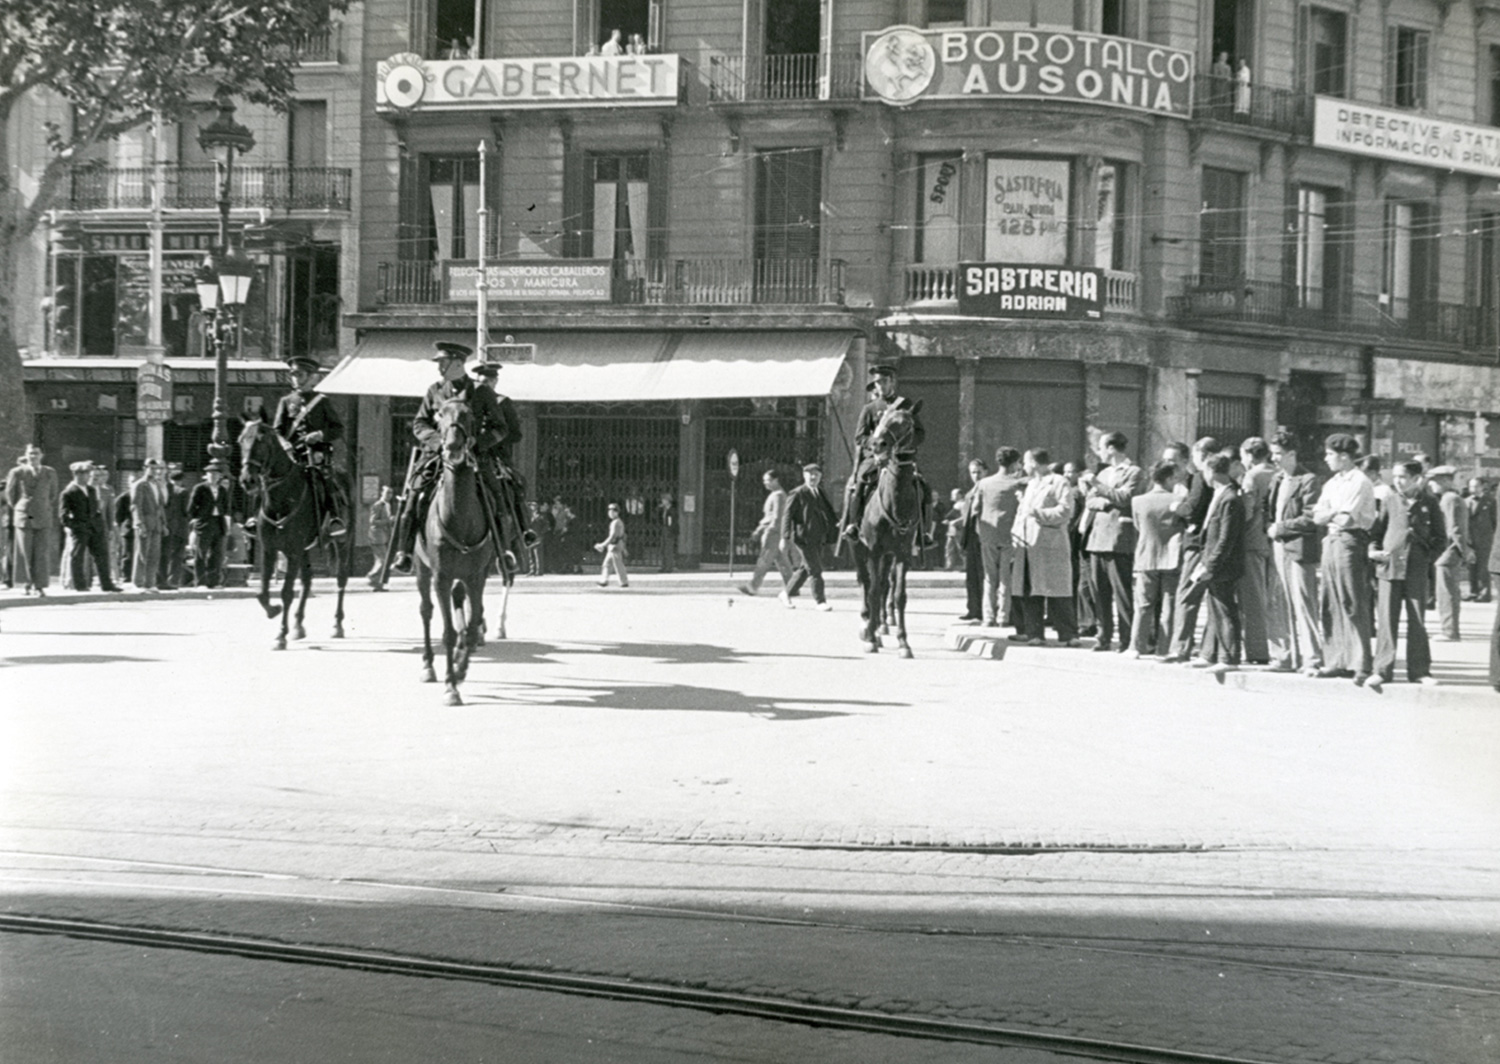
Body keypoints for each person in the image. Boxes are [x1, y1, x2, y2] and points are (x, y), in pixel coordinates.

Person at [391, 342, 522, 573]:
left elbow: (500, 428)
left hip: (475, 457)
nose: (439, 367)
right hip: (438, 456)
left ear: (459, 363)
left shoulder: (481, 392)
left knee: (498, 495)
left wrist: (478, 442)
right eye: (439, 363)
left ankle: (504, 553)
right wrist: (437, 442)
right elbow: (419, 423)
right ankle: (405, 552)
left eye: (443, 362)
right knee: (414, 496)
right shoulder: (434, 390)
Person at [1311, 433, 1379, 688]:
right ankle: (1335, 660)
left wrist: (1328, 514)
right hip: (1331, 541)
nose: (1326, 459)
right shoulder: (1332, 483)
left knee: (1352, 600)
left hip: (1351, 541)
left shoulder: (1359, 482)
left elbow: (1347, 519)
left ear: (1344, 456)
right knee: (1329, 601)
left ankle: (1360, 663)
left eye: (1330, 454)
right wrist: (1330, 514)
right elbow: (1318, 516)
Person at [1371, 460, 1444, 686]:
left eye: (1402, 477)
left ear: (1416, 479)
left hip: (1416, 570)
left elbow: (1441, 539)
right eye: (1395, 476)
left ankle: (1420, 671)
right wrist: (1373, 551)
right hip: (1390, 568)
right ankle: (1382, 670)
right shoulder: (1389, 500)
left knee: (1417, 621)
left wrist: (1425, 561)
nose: (1397, 481)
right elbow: (1377, 532)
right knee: (1386, 620)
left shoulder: (1430, 502)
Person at [840, 364, 926, 542]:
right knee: (861, 481)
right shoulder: (870, 408)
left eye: (884, 381)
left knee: (922, 486)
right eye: (877, 382)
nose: (881, 385)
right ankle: (854, 525)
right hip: (876, 457)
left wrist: (907, 444)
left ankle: (922, 531)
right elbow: (859, 437)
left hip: (902, 457)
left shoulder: (905, 405)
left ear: (892, 382)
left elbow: (919, 432)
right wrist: (876, 444)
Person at [1078, 431, 1145, 652]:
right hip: (1097, 538)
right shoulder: (1105, 473)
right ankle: (1103, 635)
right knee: (1099, 592)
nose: (1098, 451)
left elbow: (1125, 499)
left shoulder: (1133, 472)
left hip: (1118, 539)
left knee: (1122, 593)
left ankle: (1126, 639)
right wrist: (1106, 502)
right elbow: (1090, 500)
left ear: (1111, 448)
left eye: (1100, 446)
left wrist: (1099, 487)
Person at [1267, 430, 1325, 674]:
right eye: (1273, 454)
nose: (1274, 459)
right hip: (1278, 546)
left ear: (1292, 454)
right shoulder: (1278, 480)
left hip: (1300, 548)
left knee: (1303, 603)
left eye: (1279, 454)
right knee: (1279, 602)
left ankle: (1312, 658)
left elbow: (1311, 517)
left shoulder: (1308, 480)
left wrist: (1281, 527)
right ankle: (1284, 657)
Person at [1183, 451, 1245, 674]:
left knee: (1225, 609)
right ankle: (1210, 653)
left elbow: (1226, 538)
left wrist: (1210, 566)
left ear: (1211, 472)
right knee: (1214, 609)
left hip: (1223, 566)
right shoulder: (1220, 495)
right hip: (1212, 561)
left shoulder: (1230, 499)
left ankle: (1229, 656)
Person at [1010, 448, 1078, 646]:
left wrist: (1038, 512)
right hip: (1029, 545)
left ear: (1035, 463)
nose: (1023, 466)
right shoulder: (1030, 485)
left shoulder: (1058, 482)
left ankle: (1068, 634)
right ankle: (1035, 634)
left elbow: (1066, 511)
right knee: (1032, 591)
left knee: (1058, 591)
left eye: (1025, 462)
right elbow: (1022, 513)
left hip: (1050, 544)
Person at [274, 355, 347, 539]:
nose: (296, 379)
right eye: (293, 375)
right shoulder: (286, 401)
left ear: (311, 377)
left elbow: (337, 428)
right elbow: (277, 429)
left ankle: (335, 519)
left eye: (300, 375)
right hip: (291, 455)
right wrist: (284, 444)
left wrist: (320, 434)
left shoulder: (321, 401)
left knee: (325, 480)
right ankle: (257, 519)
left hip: (315, 454)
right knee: (267, 478)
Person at [1163, 437, 1220, 663]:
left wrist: (1177, 507)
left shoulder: (1199, 478)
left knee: (1186, 595)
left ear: (1201, 456)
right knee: (1214, 599)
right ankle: (1209, 650)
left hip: (1196, 543)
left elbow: (1193, 509)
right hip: (1213, 543)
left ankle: (1181, 647)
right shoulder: (1220, 478)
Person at [1129, 461, 1184, 657]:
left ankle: (1136, 646)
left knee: (1143, 605)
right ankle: (1164, 648)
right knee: (1169, 606)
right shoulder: (1178, 499)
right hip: (1171, 556)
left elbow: (1138, 527)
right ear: (1168, 479)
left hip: (1146, 555)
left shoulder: (1138, 501)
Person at [1236, 436, 1281, 665]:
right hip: (1273, 541)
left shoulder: (1252, 477)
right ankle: (1277, 647)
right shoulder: (1277, 473)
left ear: (1249, 455)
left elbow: (1247, 511)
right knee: (1271, 596)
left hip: (1252, 541)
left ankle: (1256, 650)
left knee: (1253, 598)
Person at [973, 447, 1026, 629]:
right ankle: (1003, 616)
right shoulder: (1017, 484)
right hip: (1010, 535)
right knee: (1006, 577)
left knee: (989, 577)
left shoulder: (984, 483)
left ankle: (988, 616)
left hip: (988, 534)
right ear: (1013, 463)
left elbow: (975, 510)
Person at [782, 462, 839, 610]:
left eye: (817, 474)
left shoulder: (820, 492)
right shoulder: (797, 493)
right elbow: (787, 515)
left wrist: (838, 527)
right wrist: (785, 536)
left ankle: (786, 593)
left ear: (820, 477)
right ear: (804, 475)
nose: (813, 477)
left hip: (819, 537)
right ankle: (820, 601)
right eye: (810, 474)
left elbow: (828, 512)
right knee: (815, 569)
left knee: (805, 569)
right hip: (803, 538)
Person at [6, 444, 61, 596]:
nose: (33, 456)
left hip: (43, 515)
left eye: (36, 453)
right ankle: (25, 584)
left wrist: (41, 505)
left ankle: (40, 585)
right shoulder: (17, 472)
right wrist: (22, 506)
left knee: (41, 552)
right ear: (26, 455)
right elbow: (11, 495)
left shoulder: (50, 472)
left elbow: (53, 494)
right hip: (25, 516)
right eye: (30, 453)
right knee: (25, 551)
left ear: (41, 455)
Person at [59, 461, 118, 591]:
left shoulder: (91, 490)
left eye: (87, 473)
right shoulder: (69, 492)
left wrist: (100, 525)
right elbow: (63, 516)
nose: (87, 476)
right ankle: (80, 585)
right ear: (76, 474)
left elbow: (96, 509)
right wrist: (76, 526)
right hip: (80, 529)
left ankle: (107, 584)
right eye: (83, 473)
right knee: (78, 556)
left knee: (102, 556)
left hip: (95, 528)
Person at [1429, 465, 1471, 641]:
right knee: (1449, 591)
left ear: (1446, 480)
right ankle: (1450, 629)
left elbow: (1454, 528)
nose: (1433, 484)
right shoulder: (1453, 497)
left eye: (1436, 481)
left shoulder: (1449, 499)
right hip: (1452, 550)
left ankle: (1449, 631)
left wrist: (1462, 550)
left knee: (1446, 593)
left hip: (1448, 551)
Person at [740, 469, 792, 596]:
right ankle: (793, 586)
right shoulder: (776, 494)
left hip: (772, 532)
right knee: (781, 561)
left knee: (764, 560)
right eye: (764, 480)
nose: (765, 483)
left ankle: (753, 586)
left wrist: (765, 531)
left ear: (776, 480)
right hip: (774, 532)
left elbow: (777, 517)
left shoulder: (778, 495)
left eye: (768, 480)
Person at [188, 461, 232, 588]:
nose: (213, 477)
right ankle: (200, 582)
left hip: (218, 523)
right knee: (201, 554)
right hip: (204, 523)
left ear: (219, 477)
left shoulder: (222, 490)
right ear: (206, 475)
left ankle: (214, 581)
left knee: (216, 554)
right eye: (210, 474)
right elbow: (191, 507)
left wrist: (226, 523)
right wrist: (198, 519)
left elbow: (226, 507)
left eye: (216, 474)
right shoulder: (200, 488)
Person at [956, 458, 987, 621]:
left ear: (986, 472)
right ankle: (973, 609)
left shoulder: (987, 488)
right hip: (971, 537)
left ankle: (984, 609)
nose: (976, 475)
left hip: (983, 537)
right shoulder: (970, 492)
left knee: (983, 575)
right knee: (972, 576)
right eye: (973, 472)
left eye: (979, 472)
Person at [130, 459, 166, 591]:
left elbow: (160, 506)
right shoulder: (140, 485)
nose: (154, 470)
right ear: (144, 468)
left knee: (154, 554)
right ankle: (137, 582)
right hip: (144, 523)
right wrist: (139, 523)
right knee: (141, 553)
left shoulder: (156, 484)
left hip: (156, 524)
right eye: (150, 467)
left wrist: (164, 523)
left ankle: (150, 583)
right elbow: (135, 505)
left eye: (156, 468)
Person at [87, 465, 118, 590]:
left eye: (99, 476)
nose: (97, 479)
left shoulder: (106, 491)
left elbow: (110, 512)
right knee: (83, 556)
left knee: (103, 555)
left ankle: (105, 582)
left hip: (101, 527)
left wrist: (110, 529)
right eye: (94, 476)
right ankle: (83, 581)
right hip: (85, 526)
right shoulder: (83, 490)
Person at [1465, 478, 1495, 602]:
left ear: (1482, 486)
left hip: (1485, 539)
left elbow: (1495, 521)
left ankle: (1485, 593)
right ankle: (1473, 591)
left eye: (1476, 486)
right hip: (1470, 538)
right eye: (1471, 487)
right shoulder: (1465, 501)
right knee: (1471, 566)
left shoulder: (1491, 501)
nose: (1473, 489)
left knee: (1483, 567)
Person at [160, 468, 189, 589]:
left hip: (166, 526)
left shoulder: (163, 490)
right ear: (181, 480)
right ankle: (174, 580)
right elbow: (186, 511)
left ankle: (162, 580)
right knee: (177, 557)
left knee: (164, 555)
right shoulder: (183, 492)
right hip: (180, 528)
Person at [595, 501, 629, 587]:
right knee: (607, 564)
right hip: (614, 546)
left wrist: (602, 545)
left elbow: (612, 536)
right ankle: (604, 580)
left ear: (616, 512)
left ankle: (623, 582)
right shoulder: (617, 522)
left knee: (618, 565)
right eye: (609, 510)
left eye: (613, 510)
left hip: (615, 546)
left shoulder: (616, 522)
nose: (610, 512)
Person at [367, 485, 394, 589]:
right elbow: (372, 521)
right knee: (383, 560)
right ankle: (372, 576)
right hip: (376, 536)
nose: (389, 495)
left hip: (384, 536)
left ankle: (378, 585)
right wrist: (388, 521)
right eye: (387, 493)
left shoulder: (387, 505)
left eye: (391, 493)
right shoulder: (377, 505)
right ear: (381, 493)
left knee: (380, 560)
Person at [113, 482, 134, 585]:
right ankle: (126, 576)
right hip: (128, 528)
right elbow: (118, 514)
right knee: (128, 553)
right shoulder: (125, 497)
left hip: (140, 529)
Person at [943, 488, 965, 570]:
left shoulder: (963, 504)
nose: (952, 496)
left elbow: (964, 517)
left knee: (960, 548)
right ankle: (949, 565)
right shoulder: (955, 504)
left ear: (960, 495)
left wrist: (955, 521)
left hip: (959, 529)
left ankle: (965, 565)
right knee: (949, 548)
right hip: (951, 530)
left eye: (954, 494)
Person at [657, 493, 677, 573]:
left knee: (668, 549)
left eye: (664, 500)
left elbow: (672, 522)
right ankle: (664, 566)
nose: (662, 501)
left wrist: (670, 530)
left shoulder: (672, 510)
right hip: (664, 528)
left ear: (668, 501)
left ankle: (669, 567)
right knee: (663, 549)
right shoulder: (663, 510)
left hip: (669, 530)